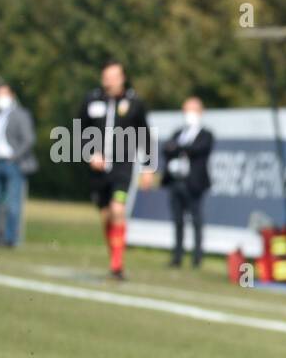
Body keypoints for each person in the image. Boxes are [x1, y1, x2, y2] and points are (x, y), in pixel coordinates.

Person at [78, 61, 149, 280]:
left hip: (122, 167)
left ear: (122, 77)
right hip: (99, 170)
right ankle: (114, 257)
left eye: (114, 76)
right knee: (106, 215)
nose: (109, 80)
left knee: (118, 209)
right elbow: (80, 129)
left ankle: (117, 265)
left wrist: (147, 167)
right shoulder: (92, 100)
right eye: (106, 76)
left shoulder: (134, 102)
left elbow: (144, 135)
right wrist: (90, 153)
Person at [160, 96, 213, 268]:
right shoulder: (178, 132)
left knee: (196, 220)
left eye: (192, 110)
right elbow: (167, 149)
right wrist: (178, 148)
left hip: (194, 183)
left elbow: (198, 149)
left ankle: (197, 258)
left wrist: (179, 148)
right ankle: (177, 256)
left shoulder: (206, 134)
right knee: (177, 221)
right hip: (176, 181)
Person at [0, 83, 37, 247]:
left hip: (12, 163)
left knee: (12, 203)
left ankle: (10, 239)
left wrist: (15, 156)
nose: (0, 98)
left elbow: (29, 139)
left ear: (12, 95)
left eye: (4, 94)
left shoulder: (20, 114)